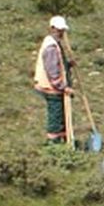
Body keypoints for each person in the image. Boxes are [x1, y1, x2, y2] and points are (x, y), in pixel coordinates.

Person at [33, 16, 75, 144]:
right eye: (59, 30)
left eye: (62, 30)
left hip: (55, 88)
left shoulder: (56, 43)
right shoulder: (51, 47)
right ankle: (54, 144)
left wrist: (68, 64)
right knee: (56, 117)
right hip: (52, 89)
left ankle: (64, 141)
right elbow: (53, 72)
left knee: (61, 114)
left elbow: (59, 64)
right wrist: (63, 87)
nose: (61, 33)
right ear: (52, 29)